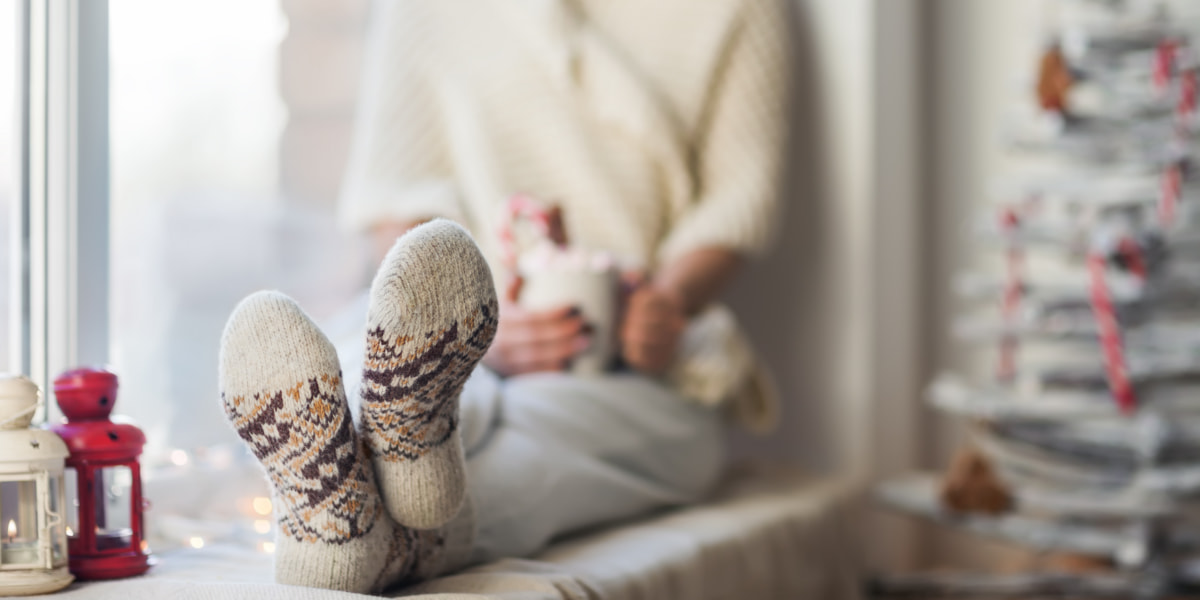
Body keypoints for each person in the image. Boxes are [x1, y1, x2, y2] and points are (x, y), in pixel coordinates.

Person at [218, 0, 791, 593]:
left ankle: (347, 519)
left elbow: (737, 204)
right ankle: (406, 434)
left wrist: (666, 302)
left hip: (631, 363)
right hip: (452, 312)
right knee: (376, 345)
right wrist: (479, 321)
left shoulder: (740, 10)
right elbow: (397, 197)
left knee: (563, 434)